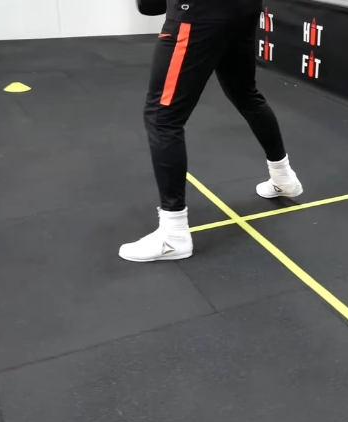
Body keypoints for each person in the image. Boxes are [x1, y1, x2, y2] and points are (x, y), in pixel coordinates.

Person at [120, 0, 303, 262]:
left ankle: (173, 236)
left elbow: (150, 5)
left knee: (163, 117)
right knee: (246, 94)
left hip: (198, 12)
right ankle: (284, 178)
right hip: (242, 9)